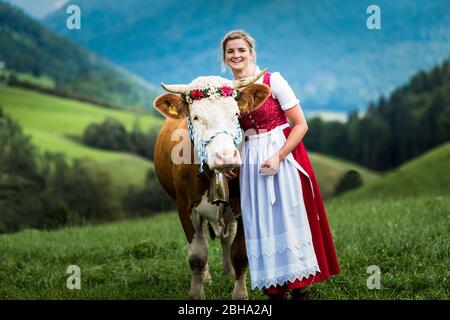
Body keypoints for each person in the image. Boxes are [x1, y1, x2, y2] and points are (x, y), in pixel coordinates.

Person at [221, 30, 340, 300]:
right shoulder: (227, 92)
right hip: (251, 160)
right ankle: (275, 291)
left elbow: (301, 124)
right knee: (260, 222)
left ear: (251, 52)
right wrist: (234, 161)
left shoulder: (272, 80)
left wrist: (279, 155)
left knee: (287, 218)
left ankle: (301, 289)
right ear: (225, 57)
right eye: (230, 51)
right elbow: (236, 134)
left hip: (283, 156)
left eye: (241, 50)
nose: (236, 55)